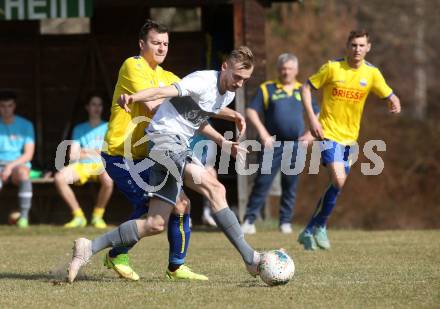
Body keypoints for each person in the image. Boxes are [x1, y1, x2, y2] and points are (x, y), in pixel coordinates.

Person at [67, 46, 264, 283]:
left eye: (245, 80)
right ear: (224, 67)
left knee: (155, 223)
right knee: (215, 188)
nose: (240, 83)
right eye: (237, 77)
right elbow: (165, 91)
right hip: (164, 141)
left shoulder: (228, 94)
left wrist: (224, 140)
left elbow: (197, 116)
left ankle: (88, 247)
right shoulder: (202, 80)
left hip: (176, 145)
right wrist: (134, 97)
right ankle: (251, 258)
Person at [99, 20, 207, 281]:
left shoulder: (168, 78)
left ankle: (177, 267)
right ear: (142, 44)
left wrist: (221, 133)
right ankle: (117, 253)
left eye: (165, 44)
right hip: (120, 153)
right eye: (156, 43)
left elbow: (193, 111)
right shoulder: (132, 65)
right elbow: (155, 106)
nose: (161, 48)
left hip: (148, 155)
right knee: (150, 206)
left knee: (181, 204)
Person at [298, 30, 401, 250]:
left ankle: (309, 230)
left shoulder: (372, 73)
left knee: (336, 185)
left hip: (350, 139)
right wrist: (312, 121)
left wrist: (394, 100)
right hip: (327, 133)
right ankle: (322, 226)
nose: (357, 49)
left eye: (362, 46)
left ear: (368, 47)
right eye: (354, 45)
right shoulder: (332, 68)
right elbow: (305, 88)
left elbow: (388, 93)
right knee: (339, 180)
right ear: (347, 45)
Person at [241, 53, 319, 234]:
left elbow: (318, 114)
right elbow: (251, 111)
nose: (286, 72)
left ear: (296, 70)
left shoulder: (303, 90)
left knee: (290, 185)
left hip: (296, 146)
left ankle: (285, 222)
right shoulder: (267, 89)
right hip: (272, 145)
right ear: (278, 70)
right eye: (283, 69)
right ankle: (249, 221)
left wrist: (311, 135)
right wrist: (263, 133)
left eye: (290, 68)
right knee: (262, 182)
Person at [54, 94, 113, 228]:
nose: (97, 108)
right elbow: (73, 155)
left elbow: (109, 153)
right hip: (81, 166)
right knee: (59, 178)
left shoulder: (110, 127)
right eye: (93, 104)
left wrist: (85, 151)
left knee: (108, 180)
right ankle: (78, 216)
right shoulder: (79, 129)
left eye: (99, 105)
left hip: (101, 166)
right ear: (87, 107)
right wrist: (97, 152)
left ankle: (98, 216)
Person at [0, 90, 35, 228]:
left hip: (17, 165)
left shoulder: (26, 125)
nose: (6, 109)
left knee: (23, 173)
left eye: (9, 106)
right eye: (3, 106)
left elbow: (28, 154)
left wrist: (9, 167)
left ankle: (24, 217)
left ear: (14, 106)